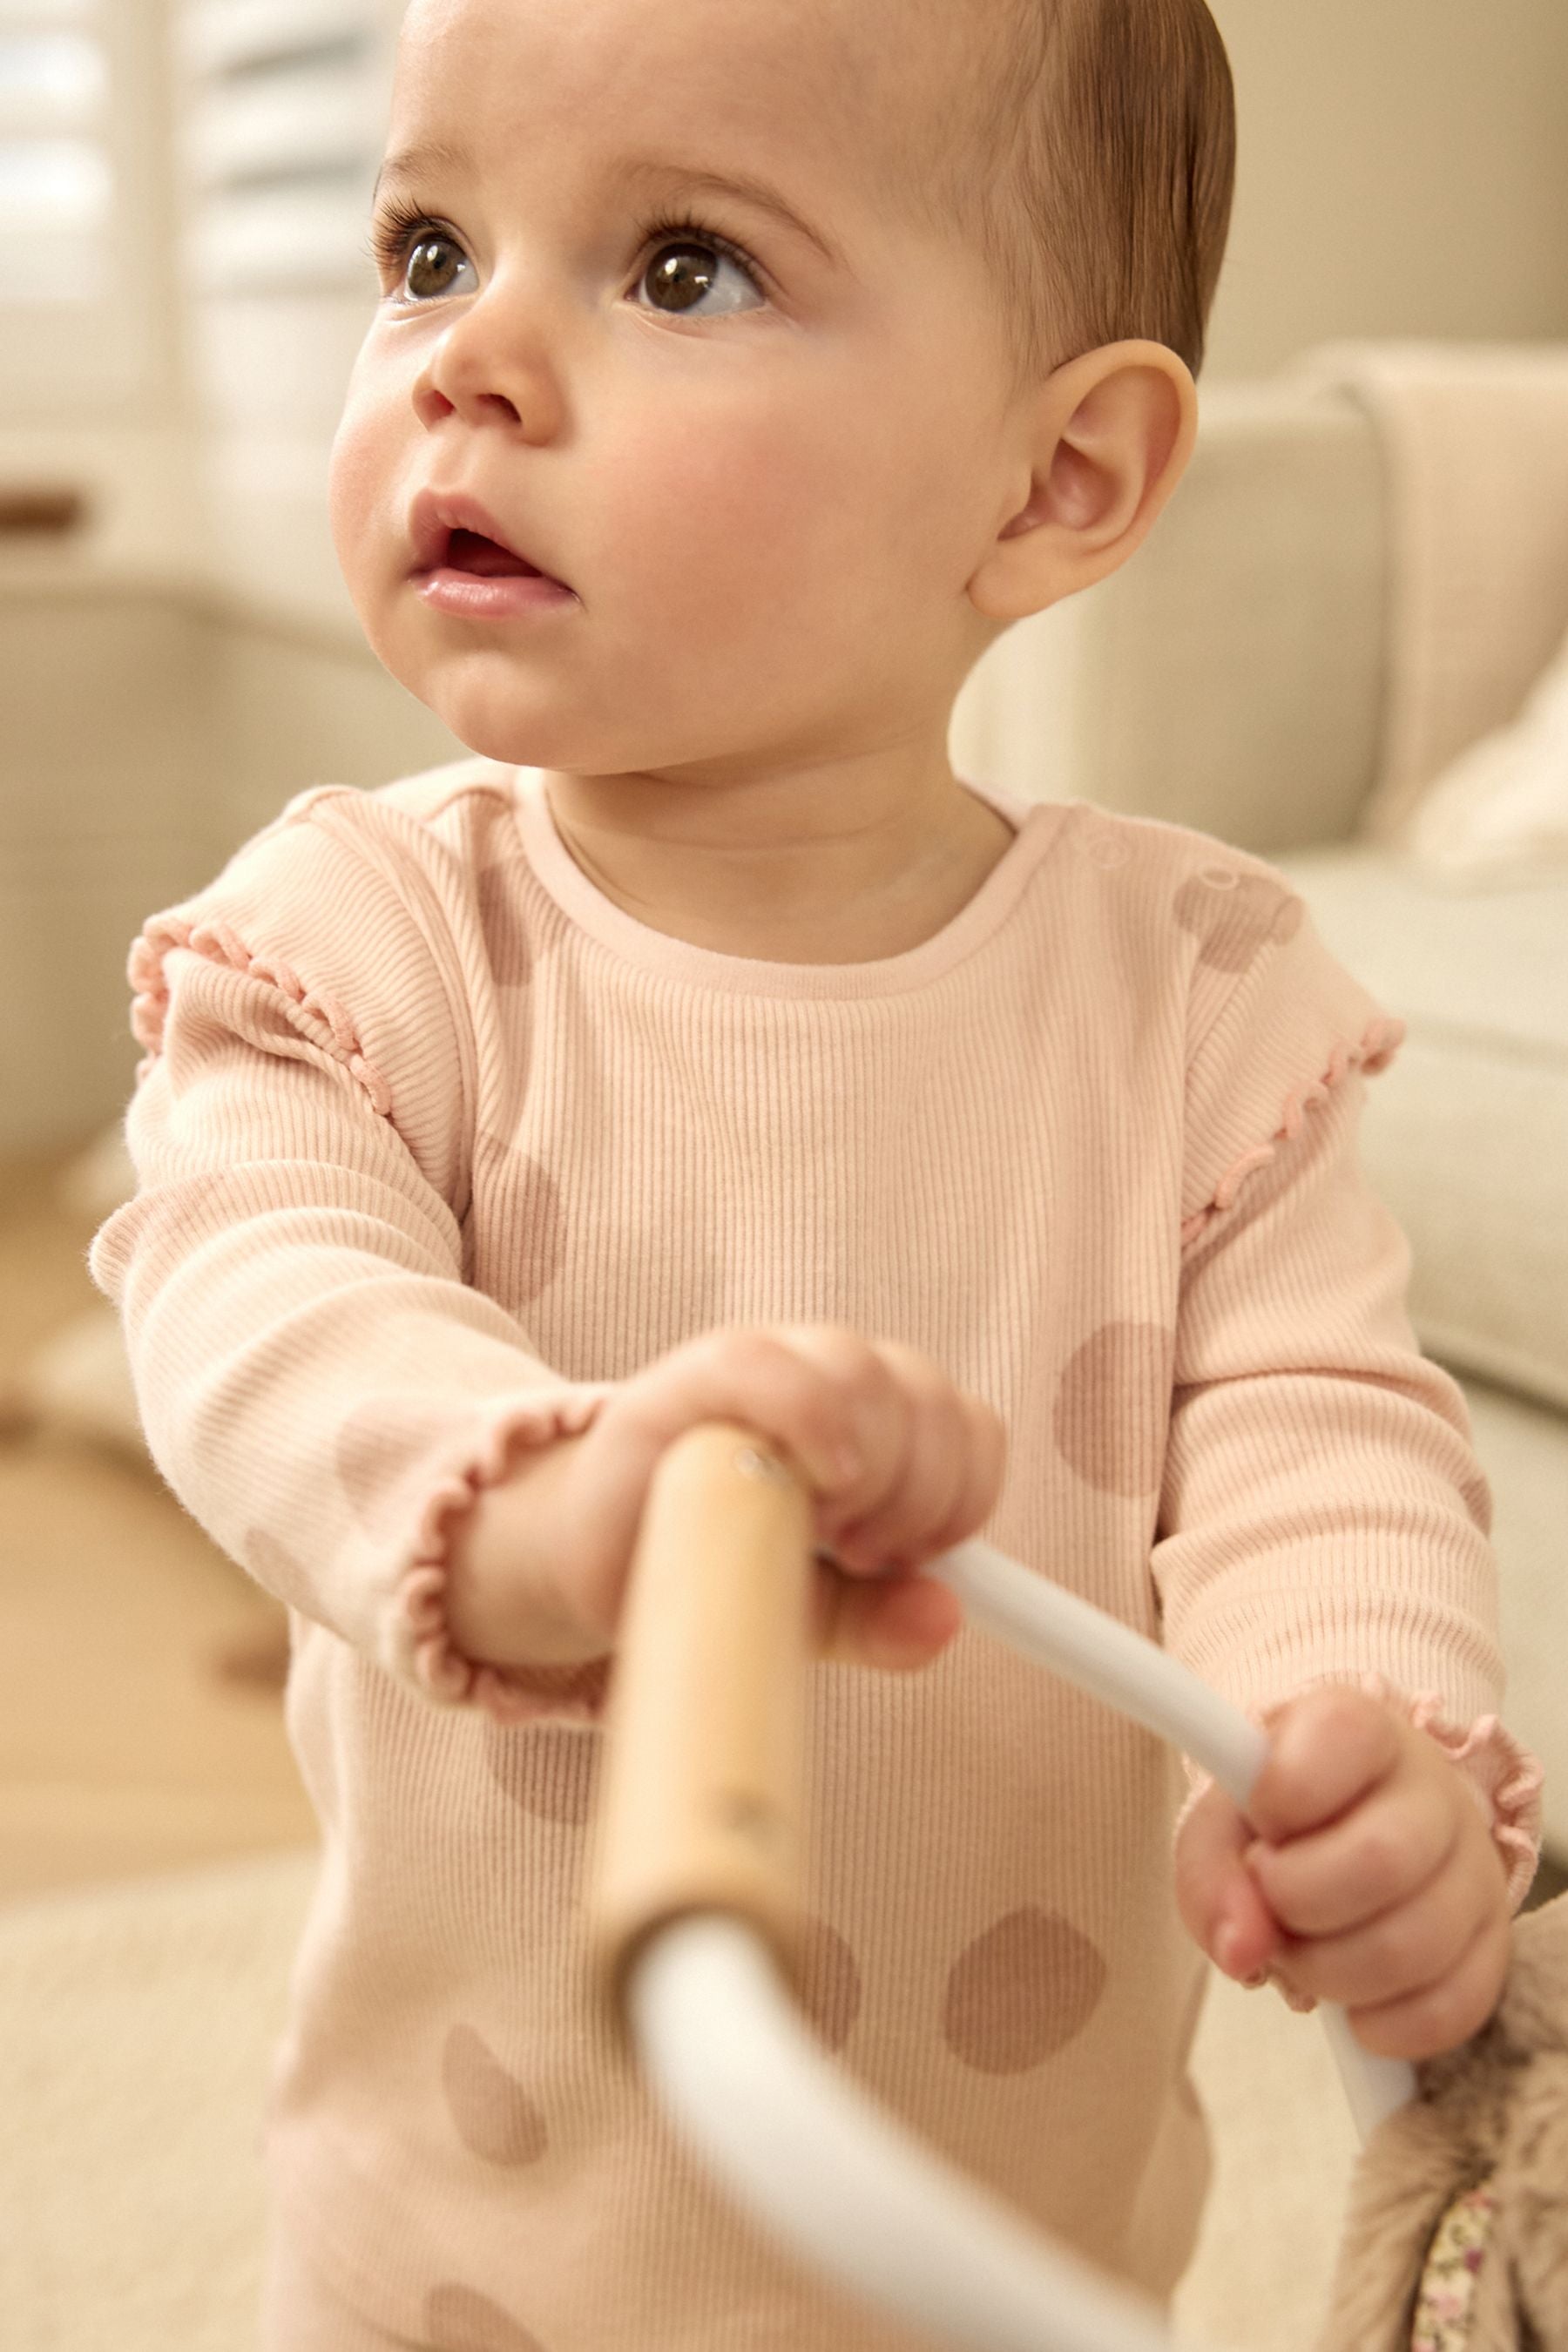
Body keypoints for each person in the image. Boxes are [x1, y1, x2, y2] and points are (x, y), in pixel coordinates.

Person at [89, 0, 1546, 2344]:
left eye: (682, 269)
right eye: (430, 242)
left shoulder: (1200, 999)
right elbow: (259, 1311)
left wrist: (1364, 1722)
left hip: (1008, 2257)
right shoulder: (357, 941)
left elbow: (1323, 1432)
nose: (472, 359)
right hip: (451, 2268)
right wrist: (550, 1503)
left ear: (1059, 479)